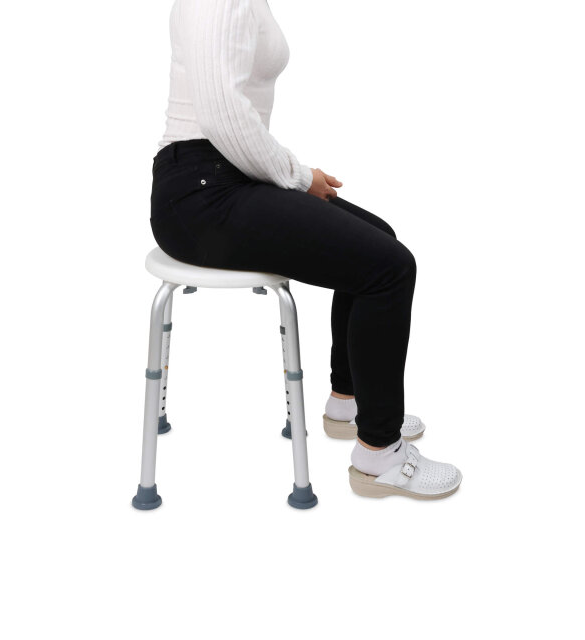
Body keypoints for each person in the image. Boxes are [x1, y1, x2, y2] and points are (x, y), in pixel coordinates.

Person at [150, 0, 462, 500]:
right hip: (201, 194)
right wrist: (296, 176)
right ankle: (379, 456)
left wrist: (288, 176)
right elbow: (221, 115)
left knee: (380, 241)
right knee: (389, 267)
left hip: (226, 176)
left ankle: (350, 402)